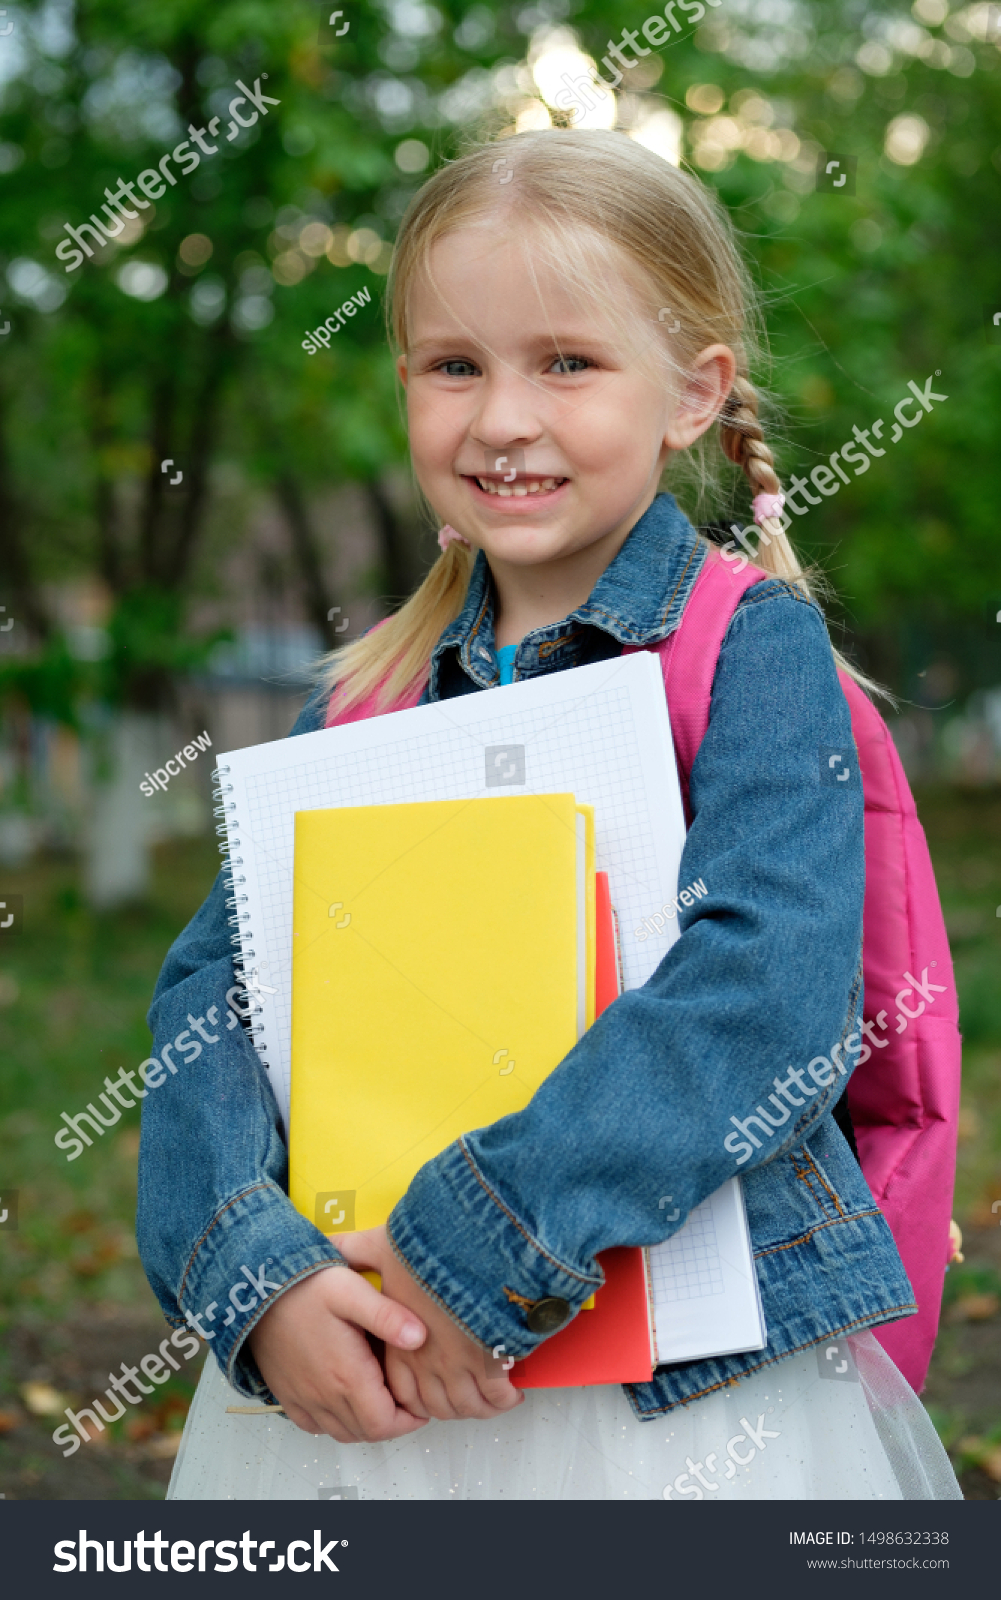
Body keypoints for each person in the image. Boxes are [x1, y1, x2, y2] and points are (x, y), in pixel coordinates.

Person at [141, 129, 961, 1500]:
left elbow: (764, 993)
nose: (501, 418)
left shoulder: (747, 654)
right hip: (371, 1371)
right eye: (453, 365)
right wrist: (256, 1276)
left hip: (683, 1402)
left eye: (566, 363)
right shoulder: (361, 699)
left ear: (692, 394)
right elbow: (212, 1003)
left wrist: (483, 1247)